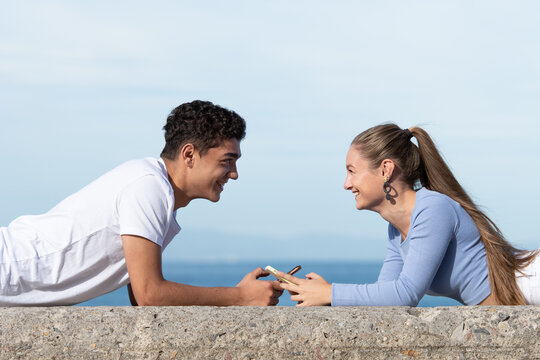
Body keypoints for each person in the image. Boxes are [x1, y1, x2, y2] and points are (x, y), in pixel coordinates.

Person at [0, 100, 283, 306]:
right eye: (227, 161)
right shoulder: (149, 186)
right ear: (189, 155)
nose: (234, 174)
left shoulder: (156, 190)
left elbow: (140, 292)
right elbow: (150, 294)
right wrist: (240, 297)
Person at [278, 124, 539, 306]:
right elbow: (386, 296)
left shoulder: (432, 209)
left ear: (386, 170)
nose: (346, 184)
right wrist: (322, 293)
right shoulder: (396, 229)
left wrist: (330, 293)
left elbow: (405, 294)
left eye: (352, 171)